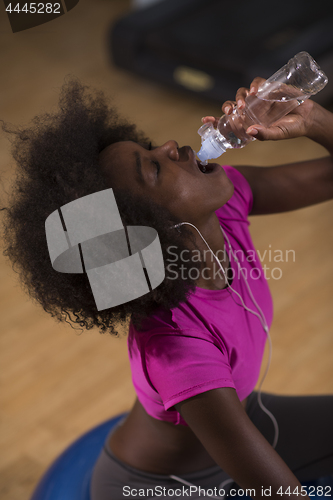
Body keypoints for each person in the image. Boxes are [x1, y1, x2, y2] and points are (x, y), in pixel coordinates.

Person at [1, 77, 333, 500]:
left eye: (153, 148)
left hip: (247, 420)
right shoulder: (178, 346)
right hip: (157, 487)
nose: (172, 146)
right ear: (153, 227)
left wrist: (314, 119)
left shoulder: (225, 206)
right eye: (155, 167)